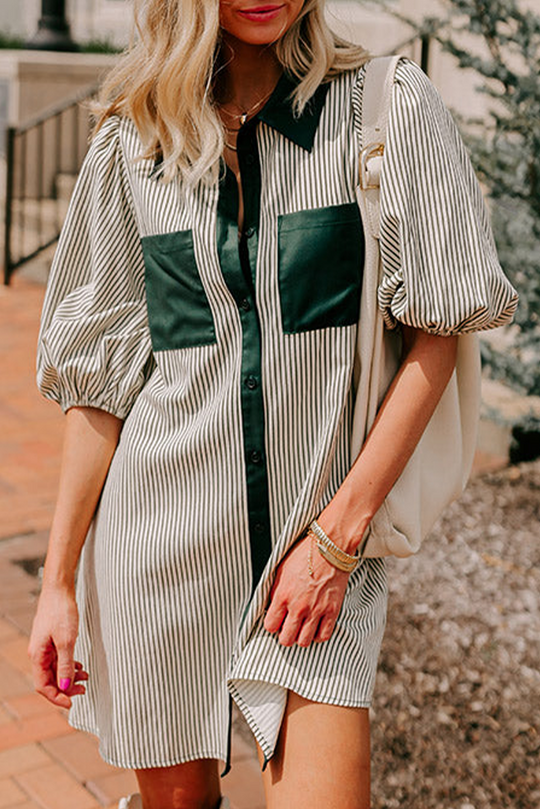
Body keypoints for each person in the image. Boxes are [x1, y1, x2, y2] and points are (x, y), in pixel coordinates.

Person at [28, 1, 518, 808]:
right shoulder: (133, 142)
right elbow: (101, 385)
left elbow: (439, 332)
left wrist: (335, 540)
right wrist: (58, 582)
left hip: (320, 549)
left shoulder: (387, 110)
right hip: (157, 551)